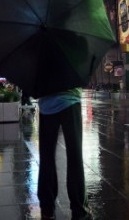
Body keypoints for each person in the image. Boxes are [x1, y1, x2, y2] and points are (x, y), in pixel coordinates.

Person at [37, 88, 91, 220]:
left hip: (47, 105)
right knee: (75, 157)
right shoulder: (71, 66)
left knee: (46, 158)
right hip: (71, 101)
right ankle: (79, 210)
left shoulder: (40, 65)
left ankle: (47, 209)